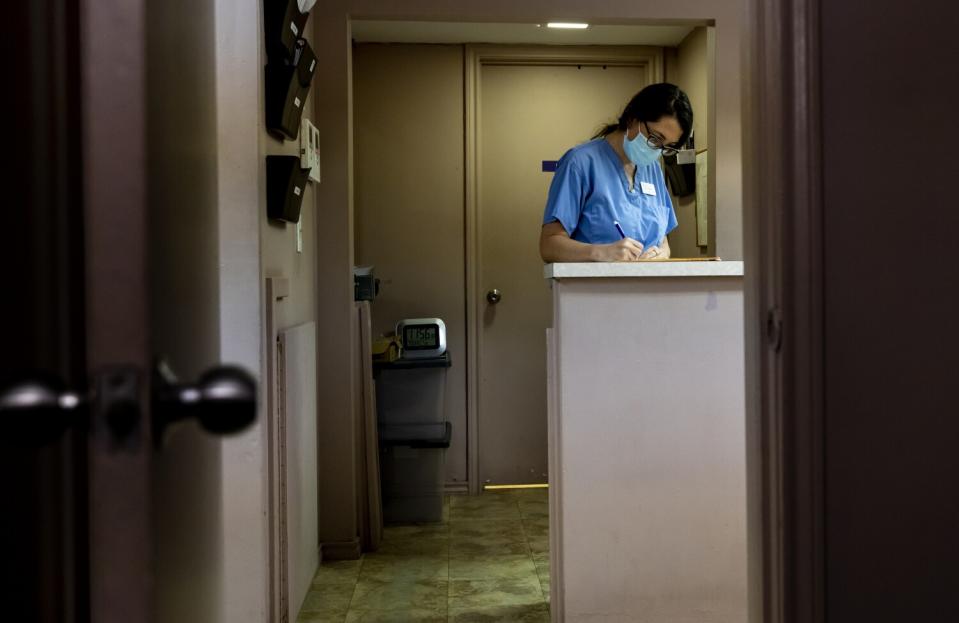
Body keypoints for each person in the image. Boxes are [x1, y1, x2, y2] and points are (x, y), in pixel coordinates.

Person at [539, 83, 693, 262]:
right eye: (656, 138)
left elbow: (662, 239)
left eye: (667, 146)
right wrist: (601, 252)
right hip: (594, 288)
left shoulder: (653, 170)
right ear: (633, 118)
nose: (657, 150)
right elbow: (549, 245)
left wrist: (663, 254)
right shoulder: (580, 163)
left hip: (647, 287)